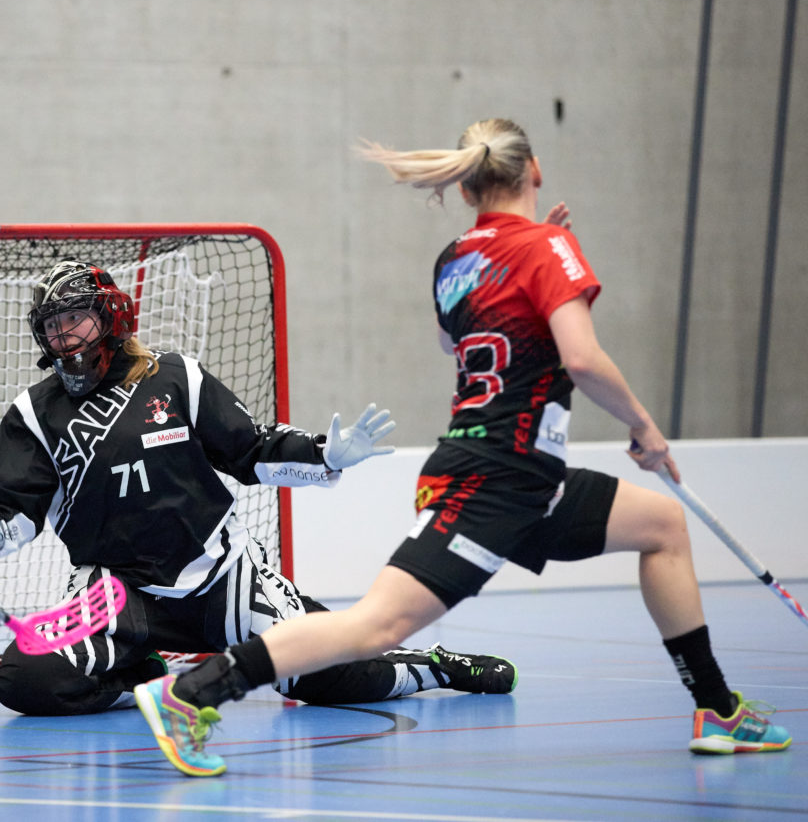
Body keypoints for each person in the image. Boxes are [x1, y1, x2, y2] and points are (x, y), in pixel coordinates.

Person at [130, 117, 794, 776]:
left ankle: (718, 709)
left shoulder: (455, 259)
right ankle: (193, 693)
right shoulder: (546, 249)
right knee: (376, 628)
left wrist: (546, 254)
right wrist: (644, 427)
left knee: (663, 526)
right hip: (496, 480)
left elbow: (456, 342)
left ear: (470, 184)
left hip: (530, 479)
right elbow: (582, 359)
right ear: (533, 171)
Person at [0, 260, 518, 758]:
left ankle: (434, 667)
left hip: (223, 576)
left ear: (109, 315)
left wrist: (330, 456)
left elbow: (253, 452)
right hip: (115, 593)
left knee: (326, 677)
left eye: (73, 318)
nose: (61, 335)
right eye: (50, 326)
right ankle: (150, 677)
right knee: (23, 682)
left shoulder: (176, 376)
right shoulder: (32, 414)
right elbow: (12, 514)